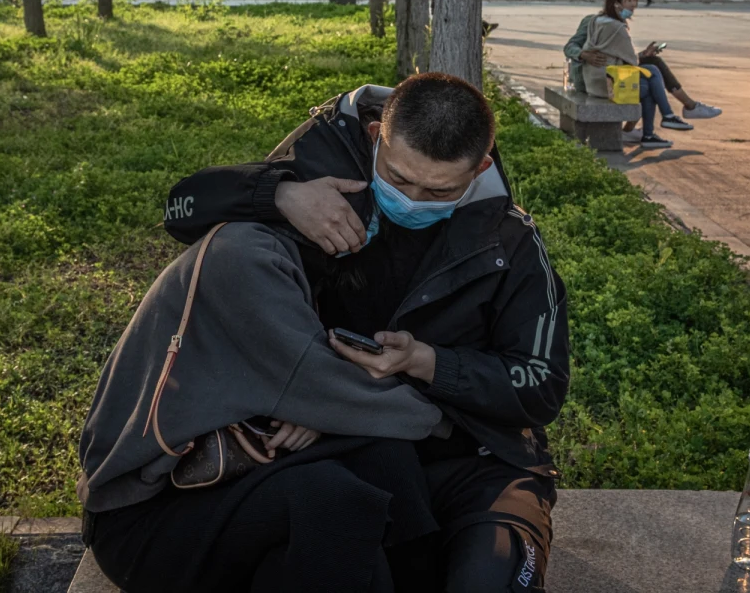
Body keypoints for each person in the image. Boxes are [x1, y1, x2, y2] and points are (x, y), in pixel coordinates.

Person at [164, 74, 570, 591]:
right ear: (377, 135)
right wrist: (279, 194)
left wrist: (428, 362)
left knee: (491, 578)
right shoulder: (317, 176)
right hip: (338, 447)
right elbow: (183, 209)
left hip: (477, 459)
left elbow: (542, 386)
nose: (413, 200)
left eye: (440, 190)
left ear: (481, 168)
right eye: (398, 179)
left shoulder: (511, 241)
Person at [77, 219, 452, 592]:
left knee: (385, 457)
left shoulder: (308, 259)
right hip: (143, 517)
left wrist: (320, 410)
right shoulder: (243, 256)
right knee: (328, 500)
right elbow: (325, 389)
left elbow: (322, 394)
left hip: (229, 472)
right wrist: (451, 421)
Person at [580, 0, 691, 149]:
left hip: (594, 82)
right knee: (652, 79)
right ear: (616, 3)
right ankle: (659, 124)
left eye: (635, 0)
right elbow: (632, 61)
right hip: (608, 87)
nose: (634, 5)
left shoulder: (597, 20)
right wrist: (643, 55)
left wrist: (643, 54)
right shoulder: (617, 28)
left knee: (651, 74)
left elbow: (616, 54)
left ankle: (657, 126)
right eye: (629, 0)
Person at [564, 14, 722, 121]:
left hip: (612, 72)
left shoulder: (619, 25)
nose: (630, 11)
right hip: (590, 80)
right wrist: (583, 54)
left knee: (653, 63)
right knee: (651, 77)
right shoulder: (593, 21)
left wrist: (642, 55)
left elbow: (619, 59)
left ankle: (684, 109)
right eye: (628, 5)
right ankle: (686, 108)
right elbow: (569, 47)